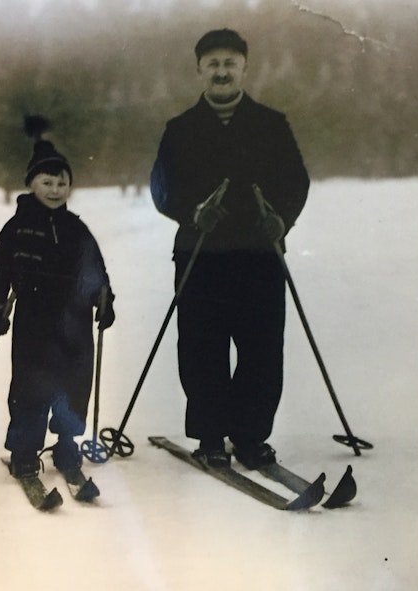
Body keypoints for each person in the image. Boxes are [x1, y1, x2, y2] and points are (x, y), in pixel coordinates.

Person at [150, 29, 310, 469]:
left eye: (230, 63)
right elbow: (161, 189)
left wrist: (282, 219)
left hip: (259, 255)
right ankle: (211, 437)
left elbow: (296, 181)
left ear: (244, 68)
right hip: (201, 255)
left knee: (261, 350)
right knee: (203, 349)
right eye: (213, 64)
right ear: (200, 70)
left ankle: (251, 436)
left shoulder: (271, 124)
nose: (222, 71)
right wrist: (190, 211)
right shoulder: (179, 129)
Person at [0, 119, 115, 479]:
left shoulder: (77, 229)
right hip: (33, 318)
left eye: (62, 183)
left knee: (74, 382)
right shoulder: (16, 228)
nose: (55, 190)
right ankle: (25, 449)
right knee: (30, 384)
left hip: (74, 320)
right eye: (47, 182)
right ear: (31, 184)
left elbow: (96, 273)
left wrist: (105, 300)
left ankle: (67, 443)